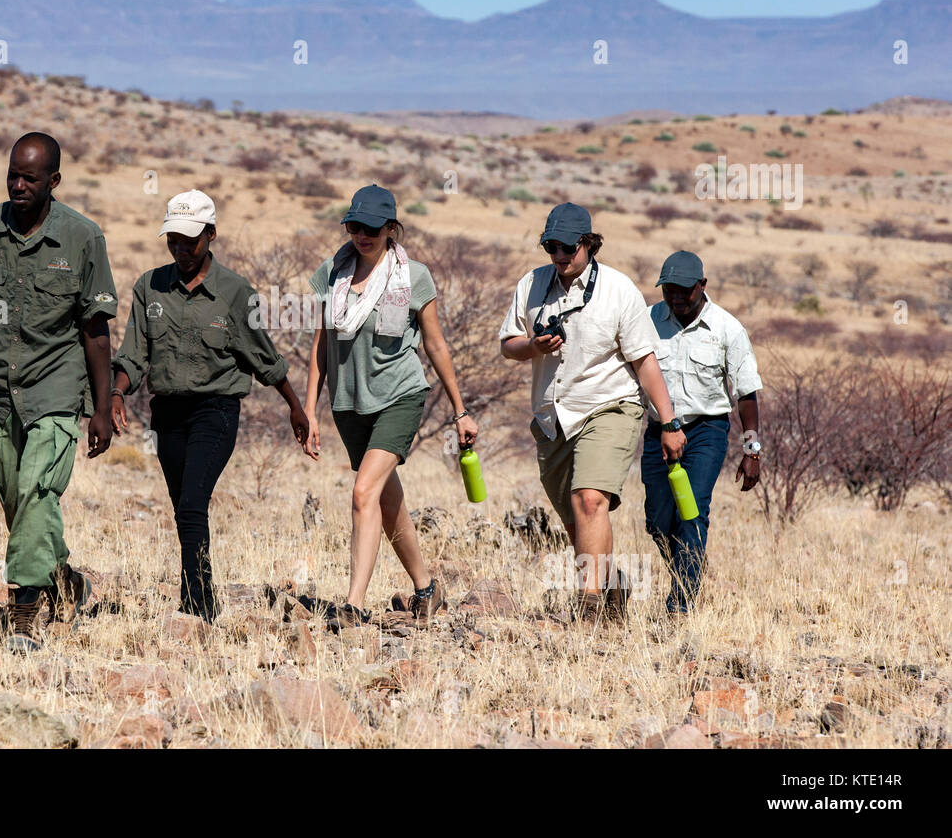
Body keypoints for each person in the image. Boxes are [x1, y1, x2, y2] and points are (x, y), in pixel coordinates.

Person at [0, 132, 117, 653]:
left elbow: (96, 328)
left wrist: (101, 409)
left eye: (30, 178)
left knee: (39, 489)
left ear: (53, 182)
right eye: (12, 174)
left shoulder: (83, 238)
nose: (18, 185)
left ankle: (23, 611)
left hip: (57, 386)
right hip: (3, 389)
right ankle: (67, 581)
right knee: (18, 502)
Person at [112, 190, 309, 622]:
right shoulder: (149, 287)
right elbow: (134, 353)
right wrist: (116, 393)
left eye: (191, 240)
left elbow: (264, 357)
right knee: (183, 505)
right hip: (166, 414)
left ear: (211, 235)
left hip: (216, 411)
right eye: (174, 241)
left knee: (191, 504)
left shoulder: (237, 293)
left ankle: (202, 606)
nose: (182, 249)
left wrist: (296, 408)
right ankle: (193, 598)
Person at [498, 202, 685, 622]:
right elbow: (508, 343)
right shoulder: (531, 284)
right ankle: (611, 583)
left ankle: (588, 606)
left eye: (567, 247)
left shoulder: (619, 290)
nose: (559, 256)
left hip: (610, 405)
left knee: (589, 500)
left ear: (588, 243)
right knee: (576, 521)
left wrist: (669, 421)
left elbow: (644, 361)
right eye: (551, 247)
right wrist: (532, 347)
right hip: (553, 415)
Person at [303, 184, 478, 627]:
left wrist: (460, 410)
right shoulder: (332, 273)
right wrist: (309, 409)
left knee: (363, 492)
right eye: (354, 226)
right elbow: (321, 344)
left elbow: (435, 344)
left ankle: (354, 604)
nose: (362, 235)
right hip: (349, 401)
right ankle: (427, 588)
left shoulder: (412, 276)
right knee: (383, 497)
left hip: (399, 395)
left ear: (391, 228)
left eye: (372, 228)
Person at [643, 251, 763, 615]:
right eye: (669, 290)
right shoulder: (647, 321)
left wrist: (752, 449)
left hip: (706, 430)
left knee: (692, 511)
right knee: (658, 520)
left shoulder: (727, 328)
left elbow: (746, 392)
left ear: (702, 286)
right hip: (659, 430)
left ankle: (681, 605)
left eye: (684, 290)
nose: (676, 298)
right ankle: (689, 564)